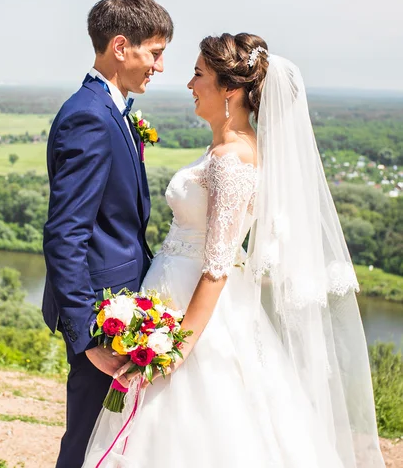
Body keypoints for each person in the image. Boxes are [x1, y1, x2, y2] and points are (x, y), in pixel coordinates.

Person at [83, 33, 385, 468]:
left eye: (198, 74)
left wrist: (179, 349)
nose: (189, 84)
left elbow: (217, 267)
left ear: (231, 89)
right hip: (174, 293)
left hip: (196, 312)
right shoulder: (225, 149)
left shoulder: (232, 158)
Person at [42, 0, 174, 468]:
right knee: (87, 441)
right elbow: (65, 235)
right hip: (104, 318)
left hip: (123, 304)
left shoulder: (110, 108)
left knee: (112, 440)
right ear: (121, 47)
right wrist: (90, 338)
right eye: (155, 53)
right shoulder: (90, 116)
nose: (159, 67)